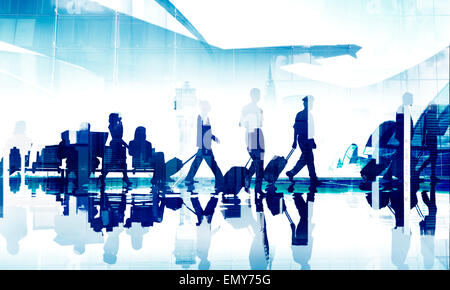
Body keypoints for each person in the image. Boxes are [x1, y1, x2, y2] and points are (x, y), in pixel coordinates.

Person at [185, 101, 224, 191]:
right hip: (205, 146)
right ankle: (220, 181)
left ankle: (188, 179)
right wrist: (204, 146)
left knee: (197, 163)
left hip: (204, 145)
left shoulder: (203, 117)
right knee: (213, 164)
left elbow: (205, 132)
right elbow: (203, 132)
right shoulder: (202, 117)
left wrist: (212, 138)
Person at [286, 95, 321, 186]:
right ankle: (311, 178)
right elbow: (300, 129)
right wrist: (311, 141)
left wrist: (295, 141)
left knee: (307, 159)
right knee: (308, 159)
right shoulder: (306, 115)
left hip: (303, 140)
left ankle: (294, 173)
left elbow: (297, 129)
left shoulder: (301, 114)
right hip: (305, 140)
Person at [239, 88, 265, 194]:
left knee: (258, 162)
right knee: (258, 162)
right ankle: (253, 184)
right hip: (253, 134)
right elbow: (241, 123)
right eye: (256, 94)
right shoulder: (248, 109)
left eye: (258, 94)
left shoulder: (257, 109)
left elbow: (241, 123)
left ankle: (249, 180)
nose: (258, 97)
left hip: (257, 134)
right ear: (252, 95)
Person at [105, 113, 131, 187]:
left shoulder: (116, 125)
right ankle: (125, 178)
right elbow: (117, 135)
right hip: (116, 145)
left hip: (118, 144)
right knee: (113, 162)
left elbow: (120, 136)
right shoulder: (111, 126)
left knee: (122, 163)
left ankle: (125, 178)